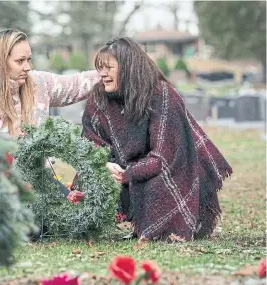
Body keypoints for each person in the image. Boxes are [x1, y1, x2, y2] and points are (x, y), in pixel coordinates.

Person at [80, 37, 232, 241]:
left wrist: (129, 173)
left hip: (175, 168)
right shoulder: (99, 97)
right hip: (126, 168)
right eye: (100, 67)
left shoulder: (162, 94)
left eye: (108, 67)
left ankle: (168, 227)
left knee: (157, 185)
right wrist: (104, 163)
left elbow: (164, 158)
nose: (102, 73)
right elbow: (89, 141)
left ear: (128, 67)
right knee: (87, 177)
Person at [0, 29, 99, 206]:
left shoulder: (38, 83)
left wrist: (113, 71)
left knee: (69, 214)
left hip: (32, 179)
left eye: (28, 59)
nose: (27, 67)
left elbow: (76, 85)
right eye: (20, 61)